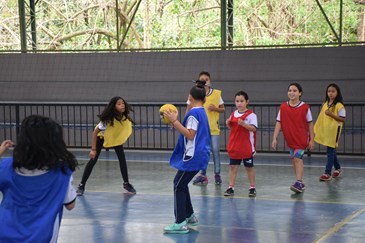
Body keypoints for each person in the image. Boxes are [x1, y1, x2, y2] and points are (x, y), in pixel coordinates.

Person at [0, 115, 78, 242]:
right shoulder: (62, 170)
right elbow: (70, 205)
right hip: (42, 237)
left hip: (4, 234)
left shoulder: (7, 166)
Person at [163, 83, 210, 234]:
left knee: (178, 184)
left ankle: (180, 222)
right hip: (200, 154)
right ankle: (189, 215)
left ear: (190, 97)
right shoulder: (201, 111)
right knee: (181, 183)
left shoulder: (193, 114)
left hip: (193, 156)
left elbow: (190, 134)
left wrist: (174, 121)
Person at [76, 96, 136, 196]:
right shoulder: (107, 120)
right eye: (119, 104)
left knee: (122, 160)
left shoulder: (124, 118)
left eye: (123, 103)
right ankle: (81, 185)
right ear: (114, 106)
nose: (122, 105)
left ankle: (126, 184)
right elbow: (95, 132)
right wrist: (93, 149)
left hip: (114, 138)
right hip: (101, 137)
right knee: (93, 161)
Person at [271, 83, 314, 193]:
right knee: (294, 160)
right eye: (290, 90)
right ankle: (299, 181)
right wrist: (274, 138)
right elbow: (278, 122)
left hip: (301, 139)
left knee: (297, 159)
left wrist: (312, 139)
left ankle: (299, 182)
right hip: (290, 139)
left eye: (295, 90)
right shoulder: (283, 107)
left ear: (300, 93)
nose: (292, 92)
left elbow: (310, 124)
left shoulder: (305, 107)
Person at [187, 71, 224, 185]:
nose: (204, 81)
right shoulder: (194, 94)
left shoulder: (217, 94)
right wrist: (186, 123)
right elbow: (188, 108)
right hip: (200, 129)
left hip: (213, 128)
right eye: (202, 79)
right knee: (203, 152)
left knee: (215, 151)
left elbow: (222, 109)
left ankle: (217, 174)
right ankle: (203, 175)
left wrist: (215, 109)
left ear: (209, 81)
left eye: (206, 79)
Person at [224, 91, 258, 198]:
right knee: (233, 167)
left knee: (249, 167)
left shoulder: (251, 115)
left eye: (241, 101)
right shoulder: (233, 114)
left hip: (246, 146)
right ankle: (231, 187)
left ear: (247, 102)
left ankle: (252, 187)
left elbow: (253, 129)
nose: (239, 103)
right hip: (235, 146)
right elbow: (234, 129)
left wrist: (244, 124)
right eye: (237, 101)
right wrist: (228, 124)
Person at [314, 83, 345, 181]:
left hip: (334, 130)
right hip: (327, 130)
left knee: (330, 150)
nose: (330, 93)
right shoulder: (325, 103)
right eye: (329, 91)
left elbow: (342, 119)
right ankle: (338, 169)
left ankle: (327, 173)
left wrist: (331, 114)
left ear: (337, 93)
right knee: (331, 150)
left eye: (333, 91)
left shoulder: (339, 105)